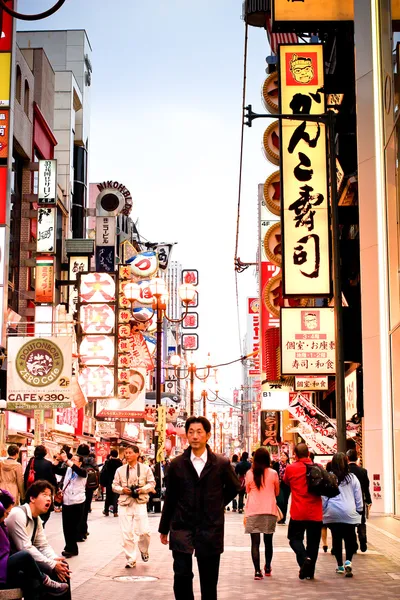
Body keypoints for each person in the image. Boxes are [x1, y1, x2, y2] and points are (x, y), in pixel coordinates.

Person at [159, 416, 241, 600]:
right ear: (187, 435)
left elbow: (235, 487)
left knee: (209, 580)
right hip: (181, 525)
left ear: (208, 435)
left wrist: (217, 503)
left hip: (210, 527)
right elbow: (170, 497)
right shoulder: (177, 464)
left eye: (199, 432)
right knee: (181, 576)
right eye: (191, 432)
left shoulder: (220, 463)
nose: (195, 436)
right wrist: (164, 528)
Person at [6, 480, 71, 599]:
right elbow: (25, 547)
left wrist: (54, 559)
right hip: (11, 564)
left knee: (63, 566)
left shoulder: (37, 519)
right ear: (32, 498)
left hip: (25, 561)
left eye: (50, 495)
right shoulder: (18, 514)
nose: (49, 499)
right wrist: (51, 563)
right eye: (44, 495)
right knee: (47, 569)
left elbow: (43, 545)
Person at [283, 443, 323, 580]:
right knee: (313, 543)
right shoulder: (319, 468)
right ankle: (309, 572)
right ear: (308, 453)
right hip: (315, 513)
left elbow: (286, 482)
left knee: (294, 539)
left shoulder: (290, 469)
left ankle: (304, 559)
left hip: (298, 512)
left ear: (295, 454)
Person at [112, 445, 155, 568]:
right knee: (126, 533)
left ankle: (144, 550)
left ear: (137, 454)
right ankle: (131, 559)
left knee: (144, 531)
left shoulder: (145, 469)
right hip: (124, 503)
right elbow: (114, 486)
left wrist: (142, 489)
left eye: (130, 452)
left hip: (140, 502)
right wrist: (122, 490)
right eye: (126, 453)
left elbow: (152, 483)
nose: (127, 455)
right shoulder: (119, 470)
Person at [323, 452, 363, 577]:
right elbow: (358, 496)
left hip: (333, 512)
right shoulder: (352, 478)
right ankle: (348, 561)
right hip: (349, 512)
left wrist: (323, 510)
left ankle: (340, 565)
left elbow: (324, 497)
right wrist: (359, 509)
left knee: (336, 538)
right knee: (350, 538)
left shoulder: (329, 477)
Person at [244, 447, 280, 580]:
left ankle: (257, 571)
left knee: (255, 543)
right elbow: (277, 492)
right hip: (269, 510)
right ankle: (268, 567)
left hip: (253, 510)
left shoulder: (249, 473)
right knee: (268, 541)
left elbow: (247, 490)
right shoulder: (273, 473)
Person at [54, 451, 87, 558]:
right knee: (66, 526)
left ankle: (72, 548)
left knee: (73, 526)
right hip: (66, 500)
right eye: (71, 459)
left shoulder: (83, 471)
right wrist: (56, 461)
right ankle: (69, 547)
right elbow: (57, 470)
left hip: (77, 501)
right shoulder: (68, 469)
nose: (72, 462)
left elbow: (80, 472)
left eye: (74, 460)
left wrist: (67, 460)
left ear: (80, 463)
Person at [24, 445, 58, 526]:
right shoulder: (48, 464)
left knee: (33, 511)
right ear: (45, 453)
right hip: (44, 491)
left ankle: (35, 527)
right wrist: (56, 489)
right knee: (45, 512)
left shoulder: (31, 461)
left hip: (33, 491)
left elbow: (26, 477)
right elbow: (52, 478)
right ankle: (40, 527)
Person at [347, 448, 372, 552]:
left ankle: (353, 545)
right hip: (360, 500)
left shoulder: (345, 471)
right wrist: (369, 500)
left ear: (347, 458)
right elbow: (366, 487)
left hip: (348, 501)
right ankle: (363, 540)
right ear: (357, 458)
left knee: (350, 524)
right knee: (361, 522)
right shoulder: (363, 471)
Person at [75, 444, 99, 539]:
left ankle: (77, 532)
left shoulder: (76, 460)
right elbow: (97, 470)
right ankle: (83, 531)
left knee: (77, 511)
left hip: (77, 487)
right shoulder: (91, 460)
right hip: (88, 488)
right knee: (85, 511)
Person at [100, 449, 122, 517]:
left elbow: (103, 472)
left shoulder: (108, 462)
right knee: (116, 497)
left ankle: (106, 511)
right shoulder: (120, 463)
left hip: (109, 482)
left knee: (108, 496)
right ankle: (115, 512)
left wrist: (102, 481)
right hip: (117, 482)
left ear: (111, 455)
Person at [275, 452, 290, 524]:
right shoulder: (276, 465)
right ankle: (279, 517)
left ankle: (283, 518)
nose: (282, 457)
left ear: (287, 457)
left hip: (287, 485)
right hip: (278, 485)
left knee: (285, 502)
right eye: (281, 455)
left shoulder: (289, 466)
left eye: (284, 455)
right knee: (280, 501)